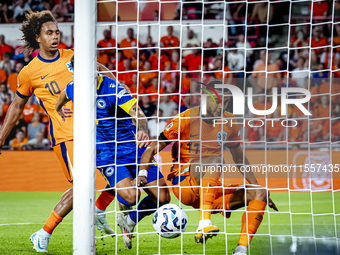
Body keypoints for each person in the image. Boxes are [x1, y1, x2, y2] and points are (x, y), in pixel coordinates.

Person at [0, 10, 116, 253]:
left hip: (96, 131)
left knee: (123, 170)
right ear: (37, 37)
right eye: (49, 32)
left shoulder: (73, 57)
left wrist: (120, 92)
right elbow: (17, 107)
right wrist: (1, 138)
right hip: (66, 136)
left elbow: (103, 71)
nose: (55, 36)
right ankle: (43, 233)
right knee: (84, 185)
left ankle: (99, 210)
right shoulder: (29, 72)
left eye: (57, 32)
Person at [137, 80, 278, 255]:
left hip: (210, 189)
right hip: (184, 183)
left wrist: (256, 185)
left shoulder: (229, 121)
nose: (222, 106)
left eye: (225, 102)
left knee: (261, 192)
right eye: (219, 101)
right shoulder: (186, 118)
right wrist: (142, 172)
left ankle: (241, 250)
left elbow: (239, 157)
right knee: (215, 160)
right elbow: (151, 148)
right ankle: (204, 223)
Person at [55, 57, 171, 250]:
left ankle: (130, 220)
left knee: (164, 199)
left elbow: (139, 114)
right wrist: (58, 109)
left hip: (132, 149)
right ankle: (120, 203)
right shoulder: (74, 87)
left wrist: (142, 129)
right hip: (106, 153)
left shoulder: (114, 89)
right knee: (132, 197)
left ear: (96, 70)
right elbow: (62, 96)